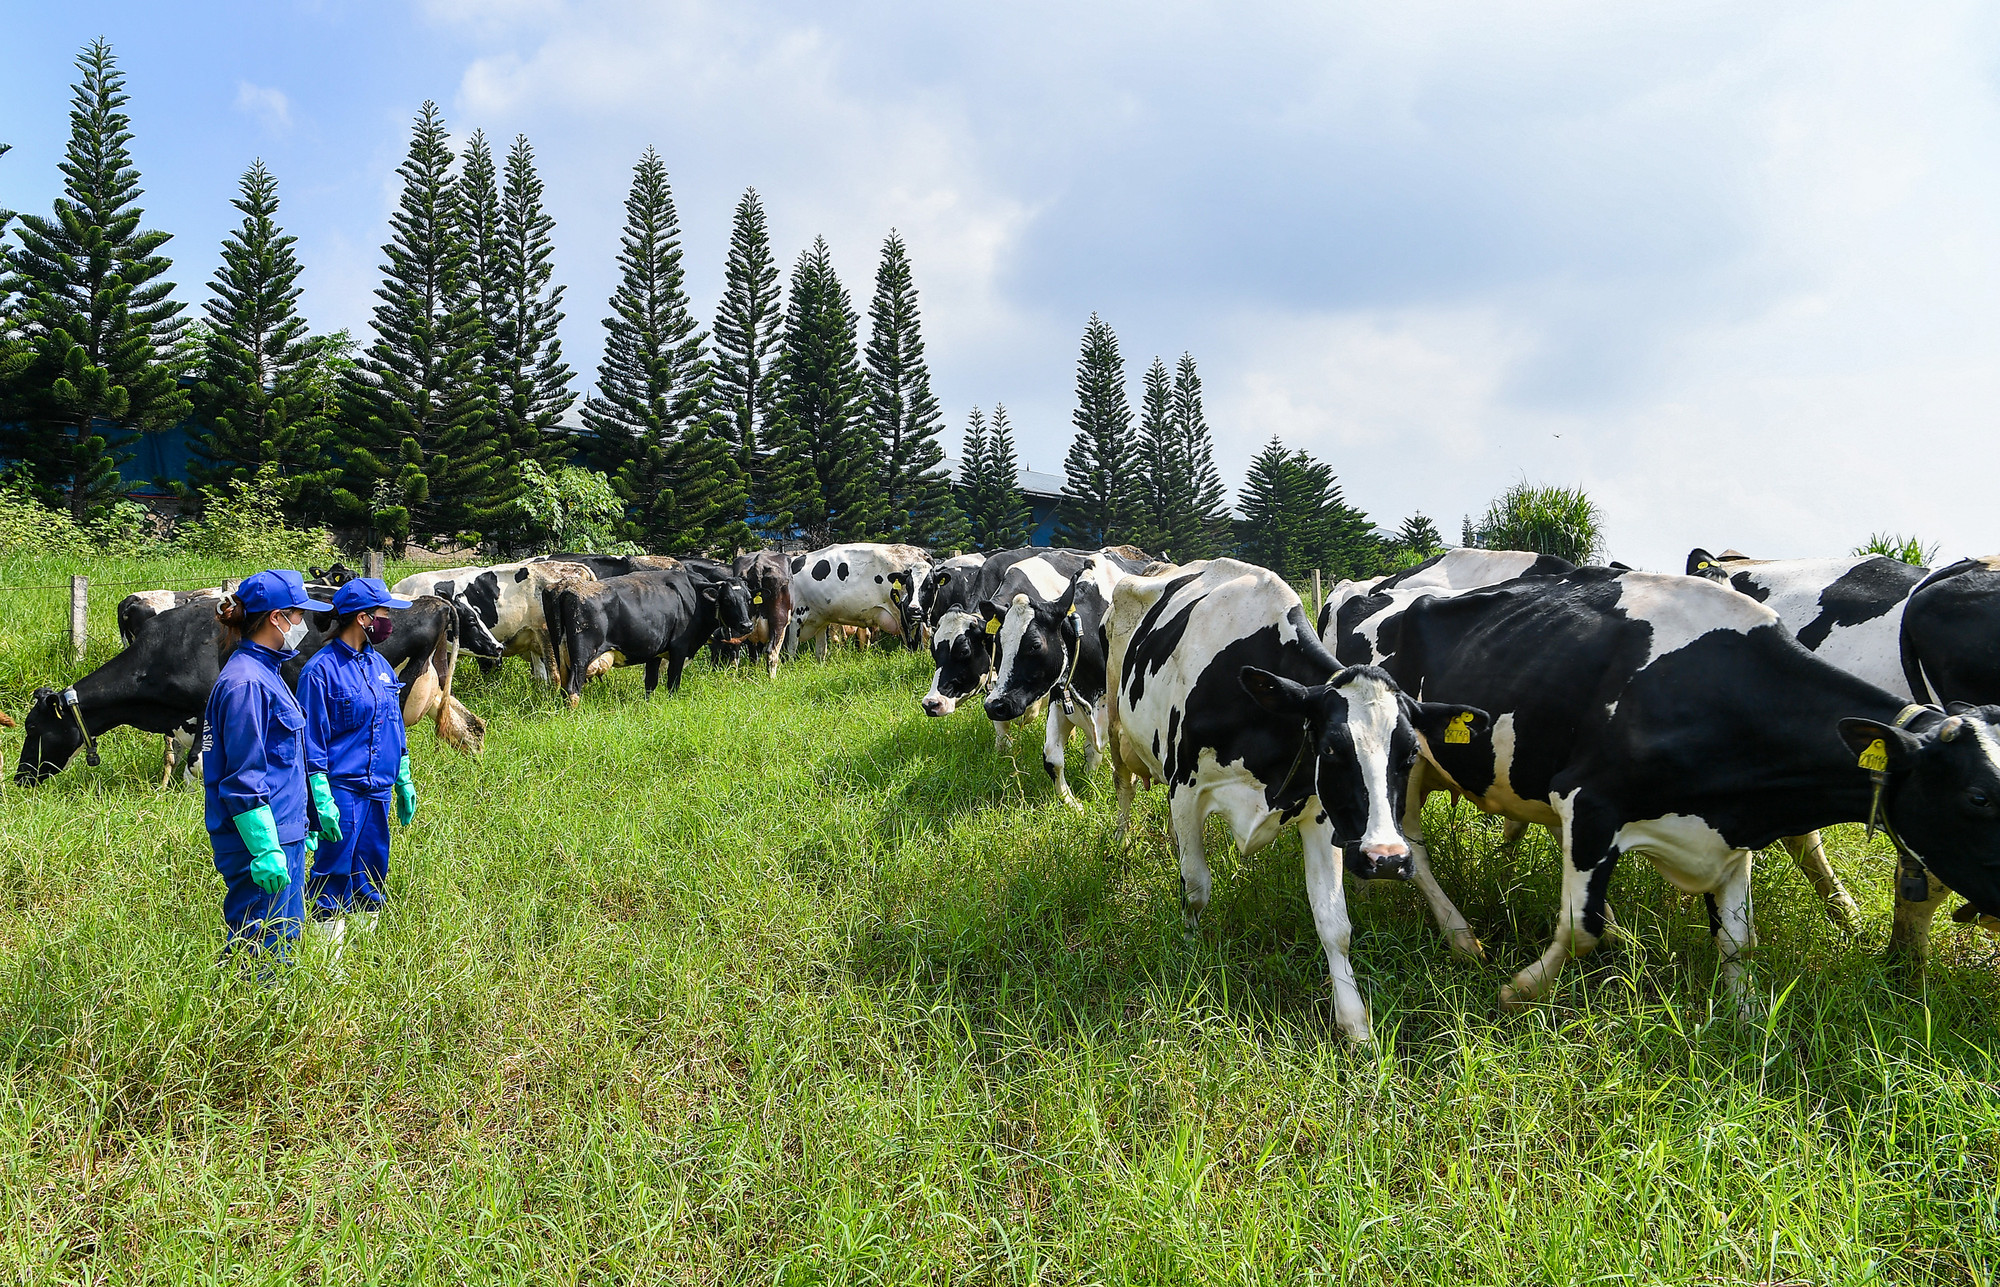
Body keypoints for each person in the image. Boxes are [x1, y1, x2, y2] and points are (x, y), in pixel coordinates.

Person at [203, 569, 332, 962]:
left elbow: (282, 761)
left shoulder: (267, 673)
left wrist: (304, 823)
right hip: (260, 843)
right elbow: (243, 777)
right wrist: (264, 848)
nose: (302, 623)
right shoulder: (247, 683)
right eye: (298, 614)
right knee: (262, 953)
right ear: (276, 618)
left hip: (284, 833)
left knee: (284, 942)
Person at [297, 577, 418, 949]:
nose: (388, 622)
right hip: (342, 790)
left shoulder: (380, 665)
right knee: (333, 870)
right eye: (383, 614)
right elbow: (311, 738)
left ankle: (364, 953)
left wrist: (403, 774)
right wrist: (319, 795)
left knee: (372, 867)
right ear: (363, 618)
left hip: (379, 788)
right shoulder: (320, 671)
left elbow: (393, 722)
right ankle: (327, 961)